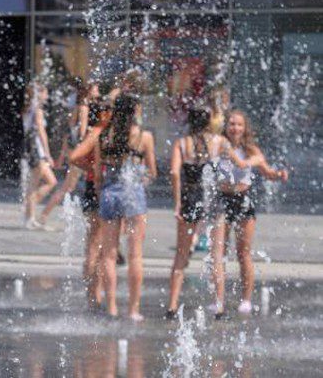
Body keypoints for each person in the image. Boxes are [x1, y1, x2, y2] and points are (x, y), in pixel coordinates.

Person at [164, 108, 259, 319]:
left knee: (181, 254)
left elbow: (174, 173)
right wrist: (256, 164)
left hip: (189, 200)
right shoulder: (220, 142)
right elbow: (240, 164)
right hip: (213, 202)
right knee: (217, 257)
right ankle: (219, 307)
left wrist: (178, 203)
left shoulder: (182, 144)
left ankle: (171, 307)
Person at [80, 94, 157, 321]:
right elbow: (152, 171)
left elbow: (97, 175)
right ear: (135, 112)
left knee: (109, 255)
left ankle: (112, 307)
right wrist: (143, 181)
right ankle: (133, 310)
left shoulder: (103, 134)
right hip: (133, 194)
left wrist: (101, 190)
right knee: (135, 256)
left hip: (109, 194)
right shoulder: (144, 137)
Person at [210, 110, 287, 318]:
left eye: (239, 125)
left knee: (243, 253)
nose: (235, 128)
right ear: (226, 126)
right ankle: (219, 300)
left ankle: (245, 299)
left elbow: (266, 172)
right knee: (220, 253)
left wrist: (279, 175)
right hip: (222, 200)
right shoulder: (219, 146)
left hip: (243, 200)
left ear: (245, 128)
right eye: (232, 124)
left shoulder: (250, 149)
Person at [69, 92, 112, 308]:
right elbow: (74, 156)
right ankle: (93, 296)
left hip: (96, 190)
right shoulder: (96, 132)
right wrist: (96, 172)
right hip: (96, 191)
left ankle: (95, 294)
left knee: (99, 245)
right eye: (110, 111)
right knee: (96, 246)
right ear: (104, 114)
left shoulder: (103, 132)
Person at [37, 79, 95, 227]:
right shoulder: (84, 107)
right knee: (68, 187)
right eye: (96, 89)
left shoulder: (77, 106)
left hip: (72, 150)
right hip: (78, 151)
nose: (98, 92)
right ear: (89, 91)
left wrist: (64, 154)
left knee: (71, 186)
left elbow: (68, 133)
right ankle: (44, 215)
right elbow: (81, 134)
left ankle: (46, 214)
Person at [22, 82, 57, 229]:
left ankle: (29, 211)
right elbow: (41, 133)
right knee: (35, 184)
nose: (47, 96)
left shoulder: (28, 109)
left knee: (51, 181)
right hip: (37, 150)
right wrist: (48, 154)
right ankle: (30, 215)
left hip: (32, 150)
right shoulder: (37, 111)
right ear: (39, 94)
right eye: (45, 93)